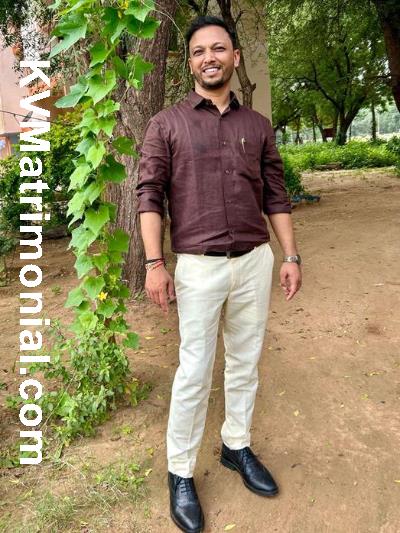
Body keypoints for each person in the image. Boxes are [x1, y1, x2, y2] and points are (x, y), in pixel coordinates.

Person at [137, 15, 302, 533]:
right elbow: (149, 195)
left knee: (245, 362)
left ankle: (236, 445)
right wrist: (154, 264)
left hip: (254, 262)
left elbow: (275, 194)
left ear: (235, 57)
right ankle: (180, 472)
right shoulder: (166, 124)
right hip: (198, 268)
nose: (209, 57)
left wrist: (291, 256)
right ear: (190, 63)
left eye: (218, 48)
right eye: (198, 51)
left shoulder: (257, 125)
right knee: (194, 371)